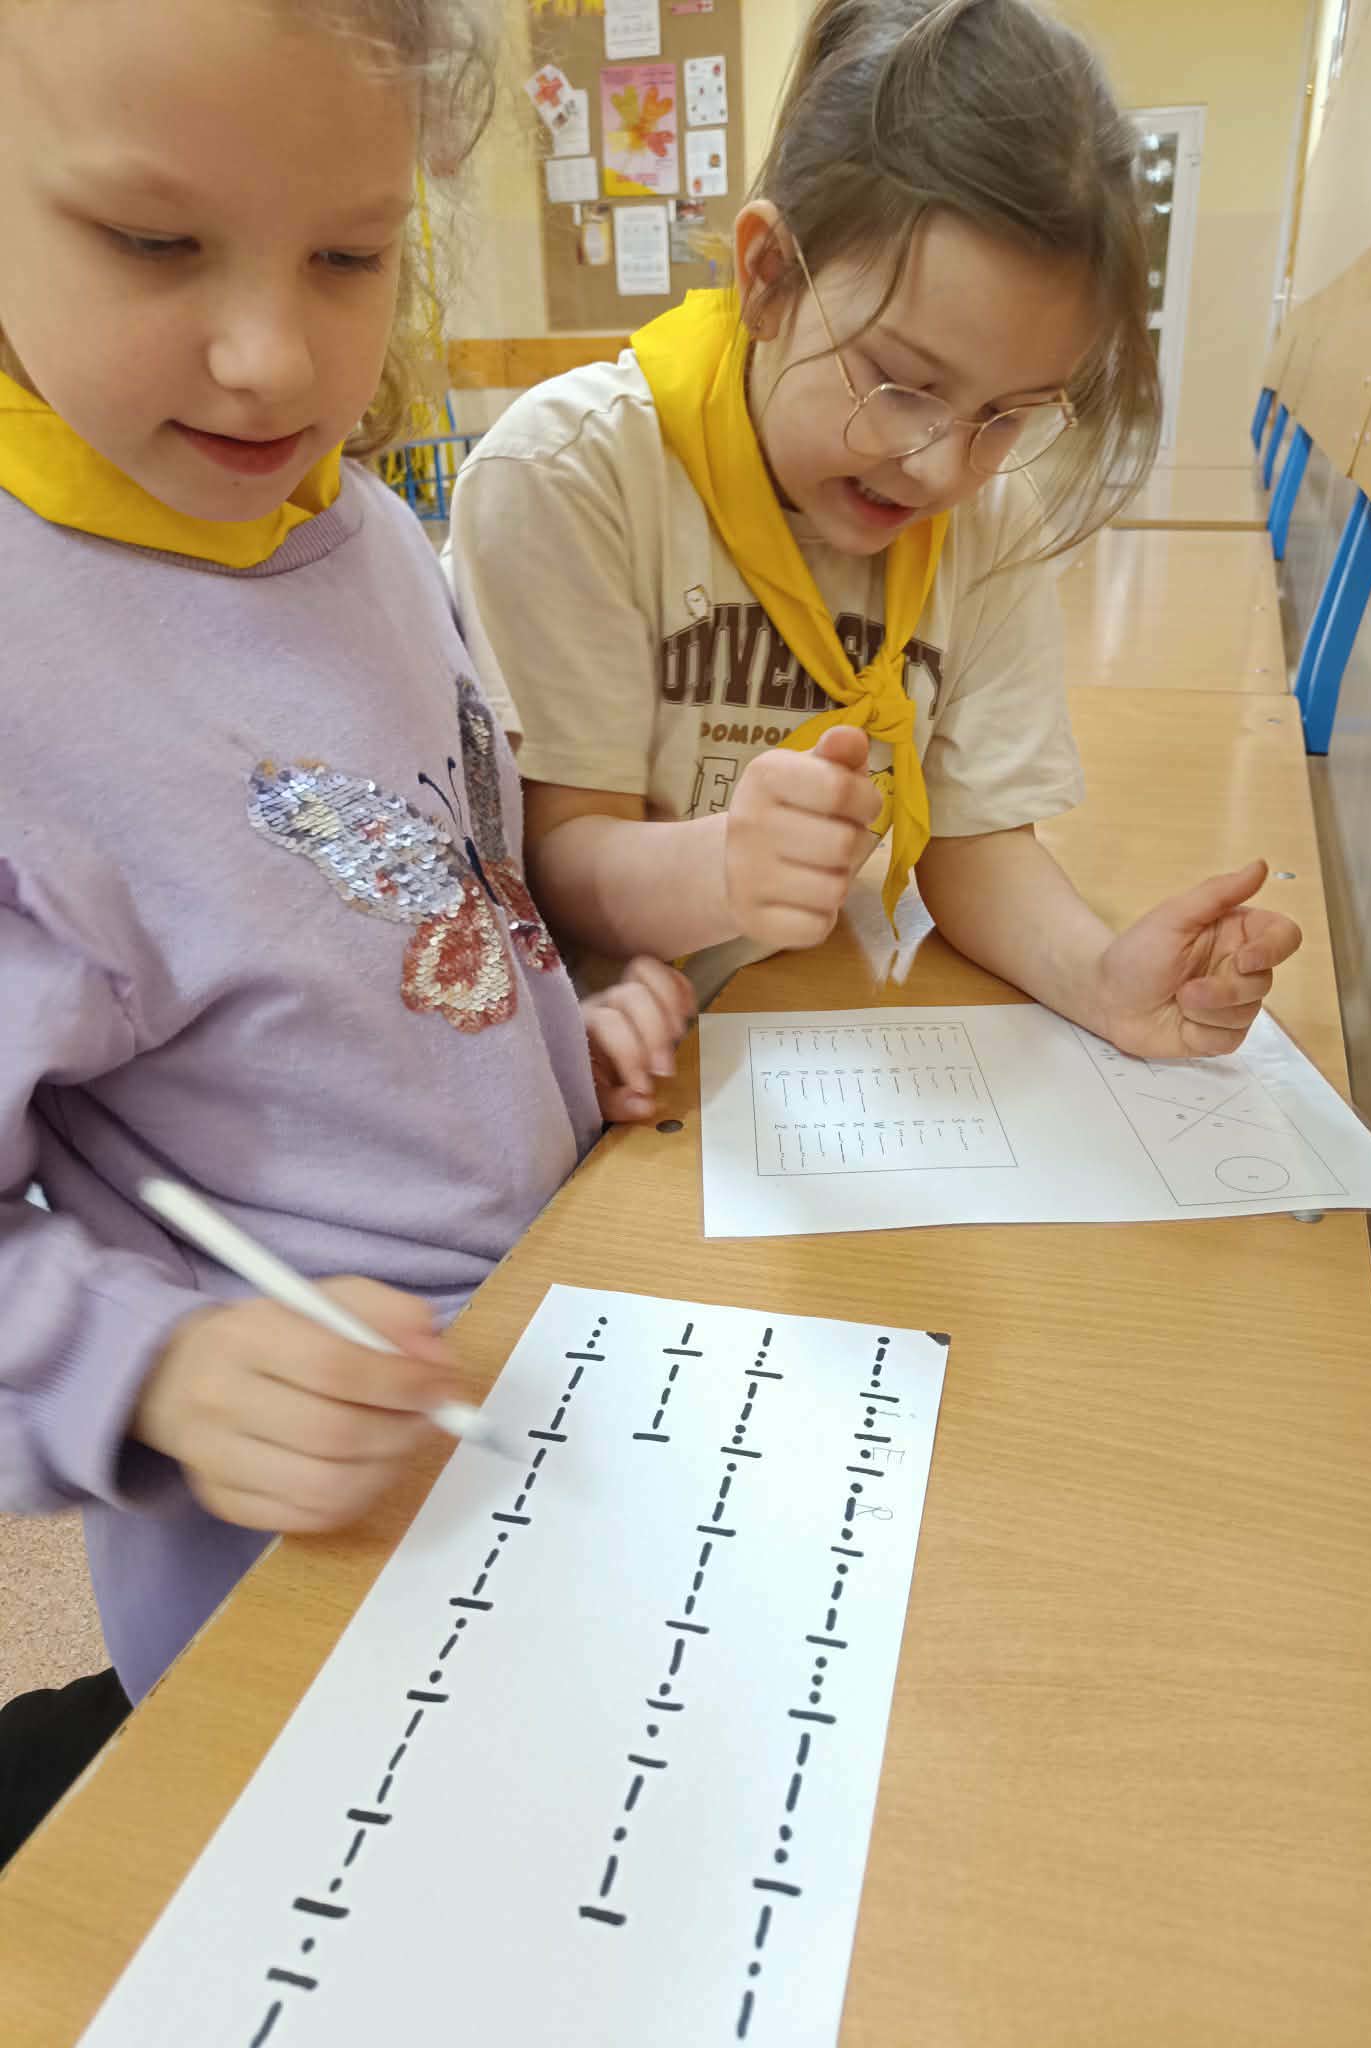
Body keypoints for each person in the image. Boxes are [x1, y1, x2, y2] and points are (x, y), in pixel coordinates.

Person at [0, 0, 689, 1862]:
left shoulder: (371, 532)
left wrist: (555, 1042)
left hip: (546, 1393)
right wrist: (157, 1371)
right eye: (153, 241)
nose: (272, 358)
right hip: (302, 1566)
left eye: (351, 255)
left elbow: (411, 900)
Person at [447, 0, 1302, 1031]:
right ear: (767, 278)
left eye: (1007, 414)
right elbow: (559, 856)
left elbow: (974, 841)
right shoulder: (572, 474)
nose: (941, 466)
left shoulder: (992, 518)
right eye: (902, 383)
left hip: (801, 1019)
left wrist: (1100, 980)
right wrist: (722, 871)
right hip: (610, 1049)